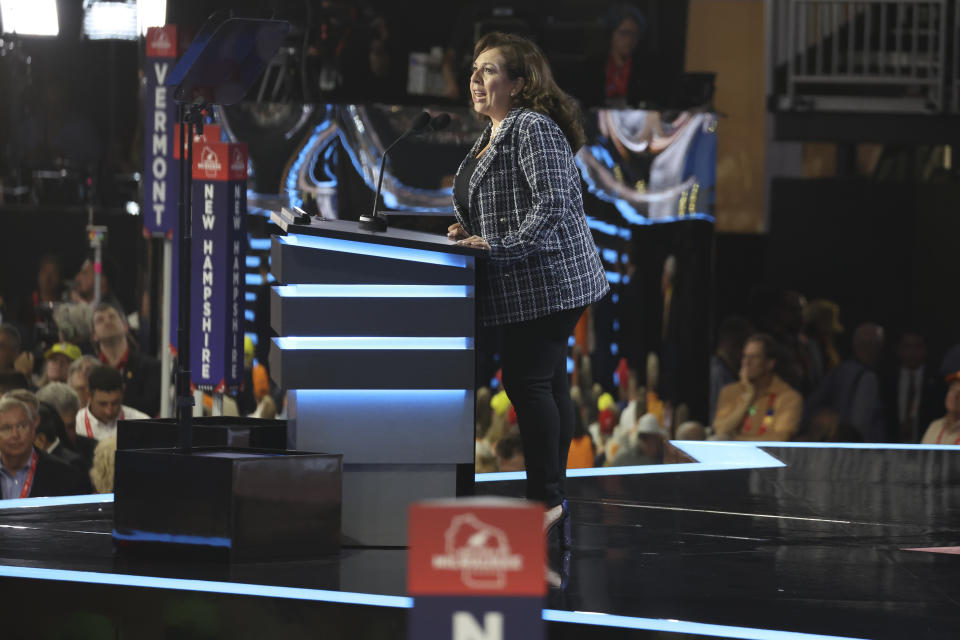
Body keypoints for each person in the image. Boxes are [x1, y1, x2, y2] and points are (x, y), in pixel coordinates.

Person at [447, 32, 609, 535]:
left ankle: (546, 501)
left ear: (518, 84)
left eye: (490, 70)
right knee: (548, 382)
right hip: (525, 284)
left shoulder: (531, 127)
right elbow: (499, 206)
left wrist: (496, 245)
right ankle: (551, 498)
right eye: (474, 70)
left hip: (551, 280)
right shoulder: (489, 136)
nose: (477, 79)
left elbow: (553, 205)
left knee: (526, 381)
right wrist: (469, 232)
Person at [712, 333, 802, 441]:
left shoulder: (788, 397)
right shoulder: (730, 391)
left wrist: (735, 440)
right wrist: (748, 397)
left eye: (754, 357)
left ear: (770, 363)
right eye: (745, 356)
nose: (746, 362)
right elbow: (720, 431)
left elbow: (780, 439)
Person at [806, 323, 886, 442]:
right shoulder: (866, 378)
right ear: (877, 347)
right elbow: (859, 424)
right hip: (858, 449)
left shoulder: (838, 371)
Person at [0, 396, 89, 499]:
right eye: (6, 428)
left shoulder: (66, 475)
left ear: (33, 428)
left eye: (22, 426)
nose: (15, 435)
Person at [90, 302, 160, 417]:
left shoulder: (152, 368)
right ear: (94, 335)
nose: (107, 322)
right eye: (100, 320)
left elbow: (150, 408)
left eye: (112, 317)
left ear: (125, 326)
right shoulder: (90, 369)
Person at [74, 365, 148, 441]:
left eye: (115, 403)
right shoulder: (76, 424)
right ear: (88, 395)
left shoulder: (142, 424)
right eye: (103, 404)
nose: (109, 411)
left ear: (123, 393)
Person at [920, 378, 960, 445]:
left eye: (959, 393)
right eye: (952, 389)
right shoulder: (935, 426)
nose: (955, 396)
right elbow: (922, 454)